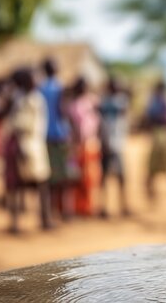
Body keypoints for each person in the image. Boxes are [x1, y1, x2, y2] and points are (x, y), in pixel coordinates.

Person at [5, 69, 52, 233]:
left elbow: (40, 125)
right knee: (16, 185)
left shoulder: (38, 99)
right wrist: (20, 143)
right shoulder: (18, 99)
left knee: (42, 182)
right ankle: (15, 223)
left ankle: (45, 219)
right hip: (21, 144)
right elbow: (14, 122)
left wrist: (33, 143)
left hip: (36, 144)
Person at [40, 58, 74, 220]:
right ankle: (65, 211)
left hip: (44, 136)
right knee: (64, 176)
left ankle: (48, 213)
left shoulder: (39, 88)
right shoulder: (60, 88)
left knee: (48, 177)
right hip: (60, 136)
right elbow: (63, 111)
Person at [68, 78, 101, 216]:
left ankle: (89, 207)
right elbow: (73, 126)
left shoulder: (92, 102)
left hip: (91, 143)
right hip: (78, 145)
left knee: (90, 177)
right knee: (78, 177)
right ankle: (79, 207)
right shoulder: (74, 105)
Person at [98, 78, 129, 217]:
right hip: (110, 144)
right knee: (108, 177)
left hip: (115, 144)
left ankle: (122, 206)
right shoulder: (109, 103)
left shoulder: (111, 103)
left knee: (119, 177)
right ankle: (106, 207)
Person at [144, 81, 166, 202]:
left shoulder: (159, 101)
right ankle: (153, 191)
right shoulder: (161, 101)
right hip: (162, 133)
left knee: (164, 163)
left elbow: (149, 118)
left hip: (162, 134)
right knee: (160, 164)